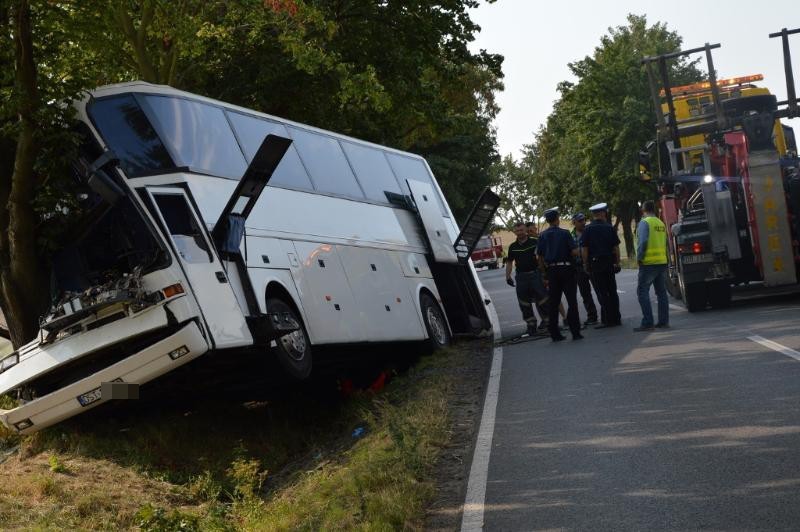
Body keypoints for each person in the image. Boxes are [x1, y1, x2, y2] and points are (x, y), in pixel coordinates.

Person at [536, 208, 582, 342]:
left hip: (551, 271)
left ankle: (555, 333)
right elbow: (574, 252)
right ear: (557, 219)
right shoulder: (565, 233)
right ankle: (575, 332)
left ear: (547, 221)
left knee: (554, 302)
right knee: (572, 301)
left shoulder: (543, 236)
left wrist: (544, 273)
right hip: (567, 269)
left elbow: (539, 257)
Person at [581, 202, 622, 328]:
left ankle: (608, 320)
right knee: (612, 291)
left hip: (595, 263)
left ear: (593, 215)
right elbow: (616, 247)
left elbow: (585, 249)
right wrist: (617, 262)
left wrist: (585, 263)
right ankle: (616, 318)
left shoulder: (587, 229)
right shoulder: (609, 227)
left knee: (602, 292)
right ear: (603, 213)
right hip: (609, 262)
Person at [506, 221, 549, 335]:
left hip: (535, 274)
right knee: (524, 302)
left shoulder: (535, 241)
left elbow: (543, 256)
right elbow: (510, 262)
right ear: (515, 232)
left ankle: (548, 322)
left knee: (542, 299)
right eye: (517, 231)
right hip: (521, 277)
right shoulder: (512, 247)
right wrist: (508, 276)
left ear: (526, 231)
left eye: (521, 230)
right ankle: (531, 325)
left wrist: (545, 273)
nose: (519, 233)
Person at [634, 200, 669, 331]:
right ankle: (663, 321)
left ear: (643, 210)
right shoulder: (660, 223)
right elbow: (665, 242)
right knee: (661, 293)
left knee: (642, 292)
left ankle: (648, 322)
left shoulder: (644, 223)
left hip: (648, 263)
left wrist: (639, 258)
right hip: (661, 262)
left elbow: (642, 242)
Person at [570, 213, 598, 326]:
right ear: (574, 222)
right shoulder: (570, 235)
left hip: (591, 265)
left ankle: (606, 313)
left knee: (599, 290)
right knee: (585, 293)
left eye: (583, 220)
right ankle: (592, 316)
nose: (583, 222)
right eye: (580, 221)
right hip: (578, 267)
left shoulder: (589, 231)